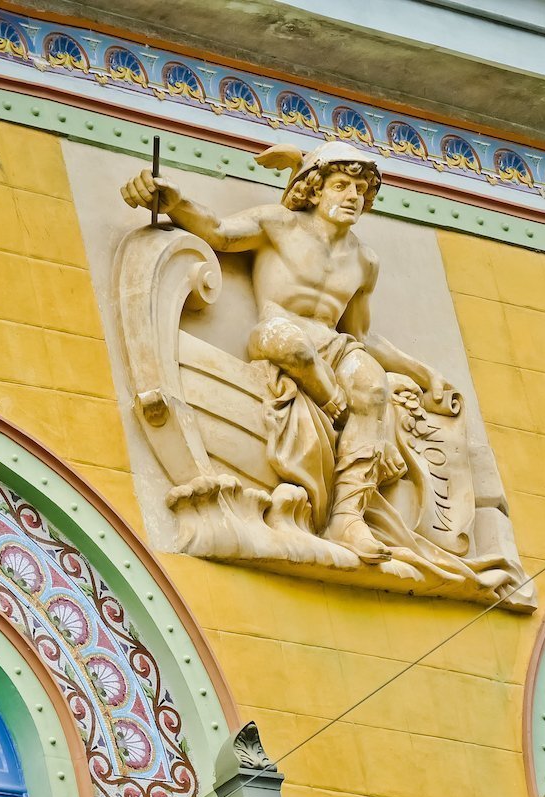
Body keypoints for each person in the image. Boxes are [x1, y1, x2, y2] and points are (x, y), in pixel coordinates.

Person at [120, 141, 454, 564]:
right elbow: (220, 232)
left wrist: (424, 374)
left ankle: (347, 518)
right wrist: (176, 201)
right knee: (292, 345)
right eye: (341, 185)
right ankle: (336, 412)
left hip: (333, 344)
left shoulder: (364, 262)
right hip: (277, 329)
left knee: (371, 385)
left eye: (360, 189)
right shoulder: (279, 224)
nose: (352, 196)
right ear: (314, 190)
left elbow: (361, 335)